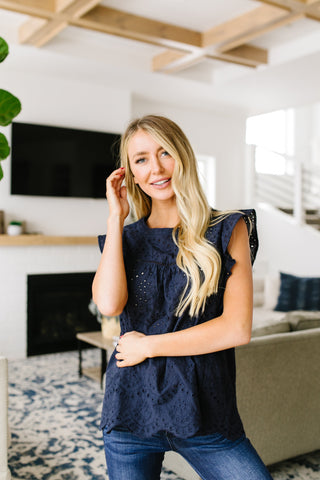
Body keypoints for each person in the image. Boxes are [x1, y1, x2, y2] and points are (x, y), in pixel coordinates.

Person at [92, 115, 273, 480]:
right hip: (131, 410)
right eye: (141, 159)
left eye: (165, 153)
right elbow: (109, 305)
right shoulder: (125, 239)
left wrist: (149, 346)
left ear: (183, 157)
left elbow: (236, 329)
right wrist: (116, 218)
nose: (156, 168)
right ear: (130, 173)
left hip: (205, 411)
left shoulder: (227, 228)